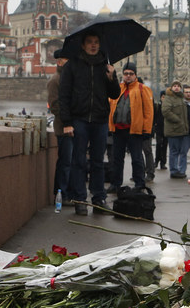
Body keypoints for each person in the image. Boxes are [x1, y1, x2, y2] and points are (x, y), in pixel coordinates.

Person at [58, 30, 121, 216]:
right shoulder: (72, 66)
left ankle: (99, 199)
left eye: (96, 42)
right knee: (78, 162)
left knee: (98, 162)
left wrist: (112, 78)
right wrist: (67, 122)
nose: (93, 45)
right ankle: (80, 199)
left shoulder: (106, 66)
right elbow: (64, 96)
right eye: (90, 42)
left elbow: (115, 94)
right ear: (83, 45)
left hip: (100, 120)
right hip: (79, 120)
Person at [107, 62, 153, 193]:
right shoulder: (118, 88)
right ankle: (115, 184)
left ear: (135, 75)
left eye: (131, 74)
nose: (128, 76)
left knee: (137, 158)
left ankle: (139, 183)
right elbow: (111, 106)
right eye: (126, 73)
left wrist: (147, 130)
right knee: (117, 159)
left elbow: (149, 112)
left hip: (135, 130)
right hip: (118, 129)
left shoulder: (142, 89)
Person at [46, 47, 72, 203]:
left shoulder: (68, 78)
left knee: (69, 162)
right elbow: (55, 106)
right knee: (65, 163)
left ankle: (65, 192)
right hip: (63, 128)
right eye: (67, 60)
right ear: (60, 61)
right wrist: (68, 122)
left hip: (71, 128)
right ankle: (62, 194)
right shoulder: (55, 80)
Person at [161, 80, 190, 178]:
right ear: (171, 87)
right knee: (174, 151)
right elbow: (165, 111)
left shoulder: (181, 98)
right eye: (174, 86)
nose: (176, 87)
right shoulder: (168, 98)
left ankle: (180, 171)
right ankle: (173, 171)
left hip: (182, 130)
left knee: (182, 152)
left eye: (178, 86)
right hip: (173, 130)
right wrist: (177, 120)